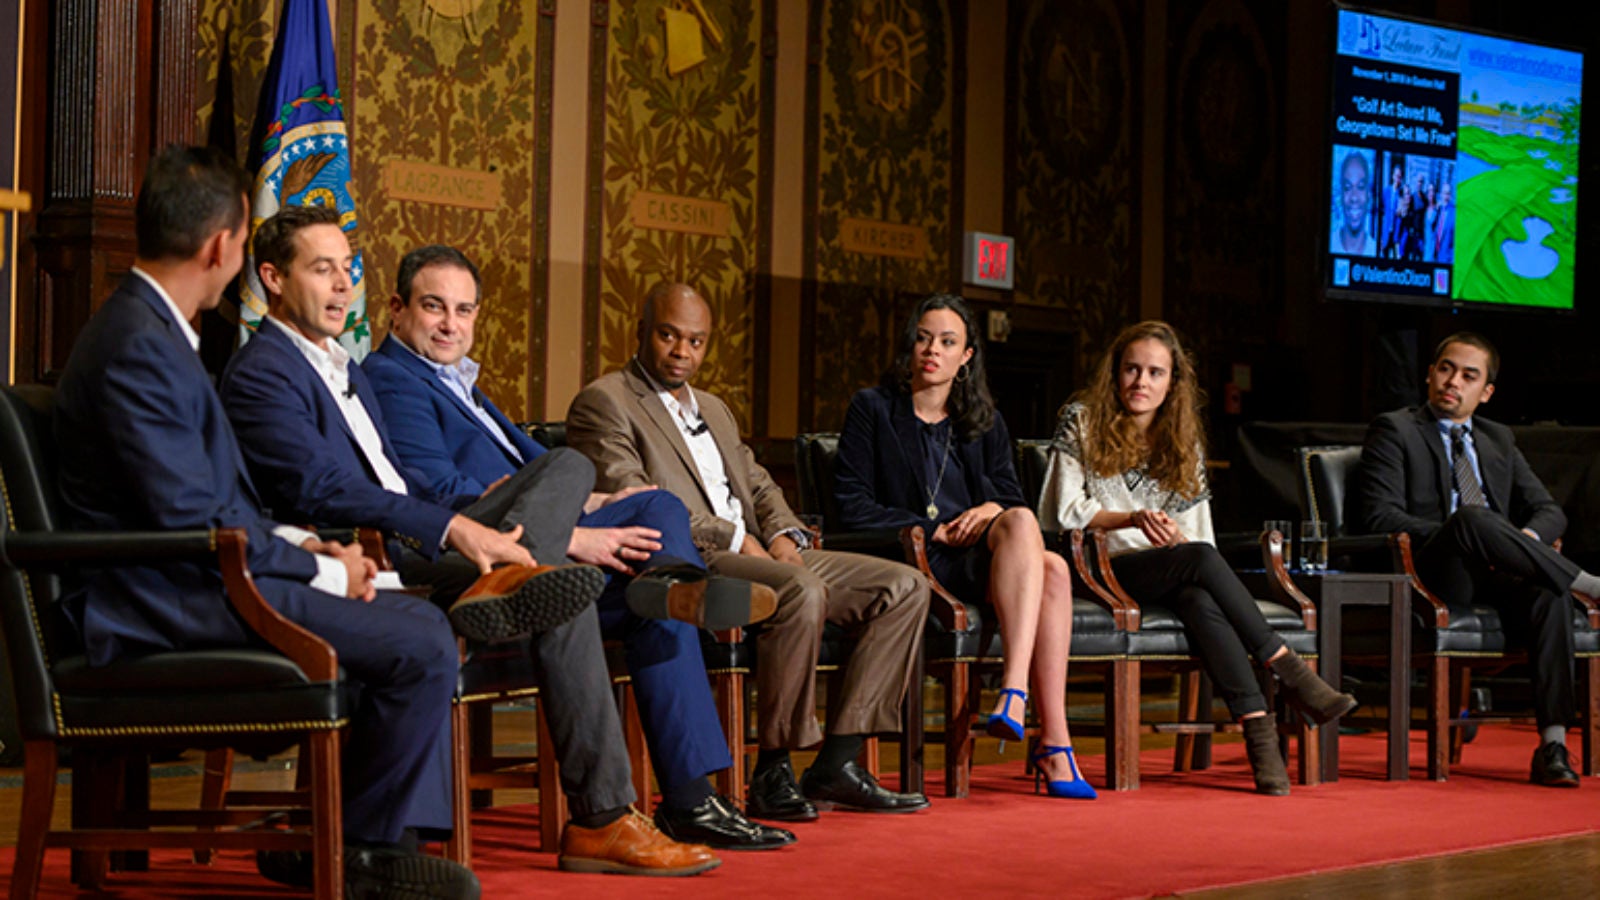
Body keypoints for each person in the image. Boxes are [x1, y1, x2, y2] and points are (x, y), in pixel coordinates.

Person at [217, 206, 728, 875]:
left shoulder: (338, 366)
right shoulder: (269, 371)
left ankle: (602, 814)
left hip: (437, 543)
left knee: (567, 541)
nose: (343, 287)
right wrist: (455, 526)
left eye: (348, 270)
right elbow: (324, 489)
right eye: (323, 270)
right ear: (273, 278)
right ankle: (601, 805)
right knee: (563, 529)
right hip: (369, 552)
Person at [52, 145, 480, 897]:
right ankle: (361, 852)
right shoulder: (138, 347)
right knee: (418, 634)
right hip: (161, 598)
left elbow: (204, 502)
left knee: (408, 622)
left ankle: (361, 848)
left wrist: (298, 541)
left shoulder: (154, 330)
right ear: (223, 247)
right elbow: (189, 519)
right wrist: (322, 567)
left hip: (198, 569)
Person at [359, 243, 793, 851]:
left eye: (464, 309)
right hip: (473, 561)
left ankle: (692, 793)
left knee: (656, 519)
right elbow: (444, 493)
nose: (451, 324)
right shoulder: (394, 379)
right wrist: (574, 532)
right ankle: (672, 600)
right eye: (435, 307)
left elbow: (553, 476)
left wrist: (595, 505)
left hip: (541, 551)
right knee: (588, 492)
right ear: (398, 309)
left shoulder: (462, 384)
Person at [567, 282, 933, 820]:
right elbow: (640, 504)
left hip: (760, 547)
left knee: (905, 587)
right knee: (802, 590)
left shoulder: (713, 408)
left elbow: (759, 486)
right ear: (642, 331)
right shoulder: (607, 401)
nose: (681, 352)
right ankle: (773, 768)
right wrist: (740, 540)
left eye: (695, 341)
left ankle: (838, 762)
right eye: (668, 335)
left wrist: (785, 538)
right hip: (693, 556)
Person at [1039, 320, 1357, 796]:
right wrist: (1132, 519)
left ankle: (1260, 737)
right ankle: (1289, 669)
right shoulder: (1083, 420)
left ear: (1172, 383)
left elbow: (1197, 535)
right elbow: (1062, 513)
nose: (1140, 382)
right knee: (1200, 564)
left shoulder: (1181, 439)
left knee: (1199, 598)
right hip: (1098, 569)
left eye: (1154, 373)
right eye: (1131, 369)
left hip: (1167, 569)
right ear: (1115, 373)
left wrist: (1170, 536)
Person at [834, 294, 1095, 799]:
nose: (932, 349)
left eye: (947, 342)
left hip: (978, 560)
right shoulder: (873, 409)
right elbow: (853, 506)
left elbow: (1013, 501)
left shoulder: (985, 421)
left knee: (1033, 540)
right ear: (910, 346)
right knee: (1053, 571)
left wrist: (991, 511)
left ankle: (1020, 699)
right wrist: (928, 528)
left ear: (967, 356)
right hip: (913, 559)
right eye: (924, 338)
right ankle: (1049, 740)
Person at [1356, 332, 1600, 787]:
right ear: (1429, 374)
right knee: (1472, 518)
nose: (1453, 382)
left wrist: (1519, 541)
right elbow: (1380, 515)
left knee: (1549, 594)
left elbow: (1549, 511)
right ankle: (1588, 584)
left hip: (1500, 570)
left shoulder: (1499, 438)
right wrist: (1469, 532)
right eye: (1446, 369)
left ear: (1485, 392)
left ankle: (1552, 745)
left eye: (1469, 376)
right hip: (1436, 571)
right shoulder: (1396, 429)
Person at [1331, 149, 1378, 257]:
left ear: (1368, 195)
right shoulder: (1330, 243)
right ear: (1341, 196)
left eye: (1361, 187)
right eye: (1347, 187)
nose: (1354, 197)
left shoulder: (1375, 250)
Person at [1381, 162, 1404, 258]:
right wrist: (1381, 237)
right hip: (1386, 233)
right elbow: (1382, 213)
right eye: (1396, 176)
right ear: (1392, 176)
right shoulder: (1386, 191)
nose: (1397, 179)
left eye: (1399, 177)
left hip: (1396, 234)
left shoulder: (1402, 193)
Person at [1434, 183, 1455, 263]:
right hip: (1435, 256)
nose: (1446, 196)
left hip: (1447, 258)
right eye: (1444, 193)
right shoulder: (1438, 210)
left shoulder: (1454, 212)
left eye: (1448, 193)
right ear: (1441, 194)